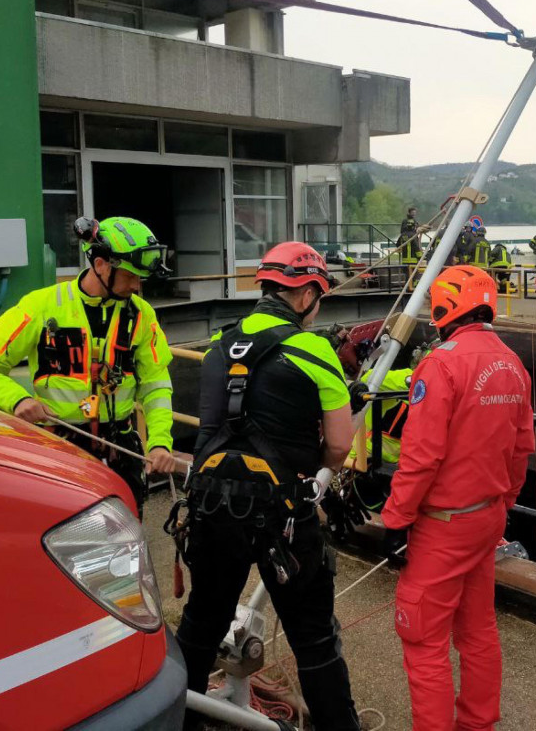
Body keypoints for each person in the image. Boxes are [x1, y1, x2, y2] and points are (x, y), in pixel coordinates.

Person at [176, 242, 361, 731]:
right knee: (314, 639)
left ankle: (179, 718)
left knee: (201, 622)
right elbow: (340, 445)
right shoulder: (313, 348)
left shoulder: (220, 345)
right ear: (306, 294)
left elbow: (210, 431)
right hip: (281, 516)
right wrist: (309, 465)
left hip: (212, 508)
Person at [381, 265, 535, 731]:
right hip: (485, 519)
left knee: (424, 641)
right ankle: (478, 724)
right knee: (479, 631)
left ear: (446, 307)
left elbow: (421, 456)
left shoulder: (441, 364)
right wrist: (502, 505)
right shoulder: (512, 362)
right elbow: (522, 447)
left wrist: (395, 520)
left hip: (442, 525)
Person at [0, 216, 176, 512]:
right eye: (130, 275)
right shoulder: (41, 306)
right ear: (102, 264)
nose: (137, 285)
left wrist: (159, 443)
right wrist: (17, 400)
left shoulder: (141, 316)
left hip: (121, 452)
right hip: (59, 449)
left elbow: (156, 385)